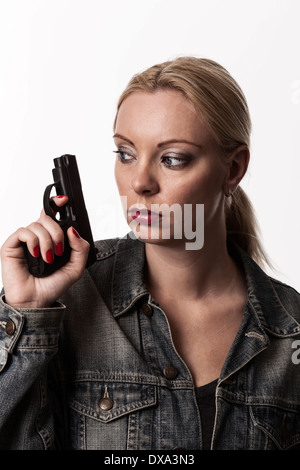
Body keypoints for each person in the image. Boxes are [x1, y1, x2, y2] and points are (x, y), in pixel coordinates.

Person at [0, 56, 300, 451]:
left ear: (233, 169)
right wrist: (27, 316)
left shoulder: (290, 331)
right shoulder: (69, 302)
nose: (139, 182)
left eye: (172, 158)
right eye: (125, 154)